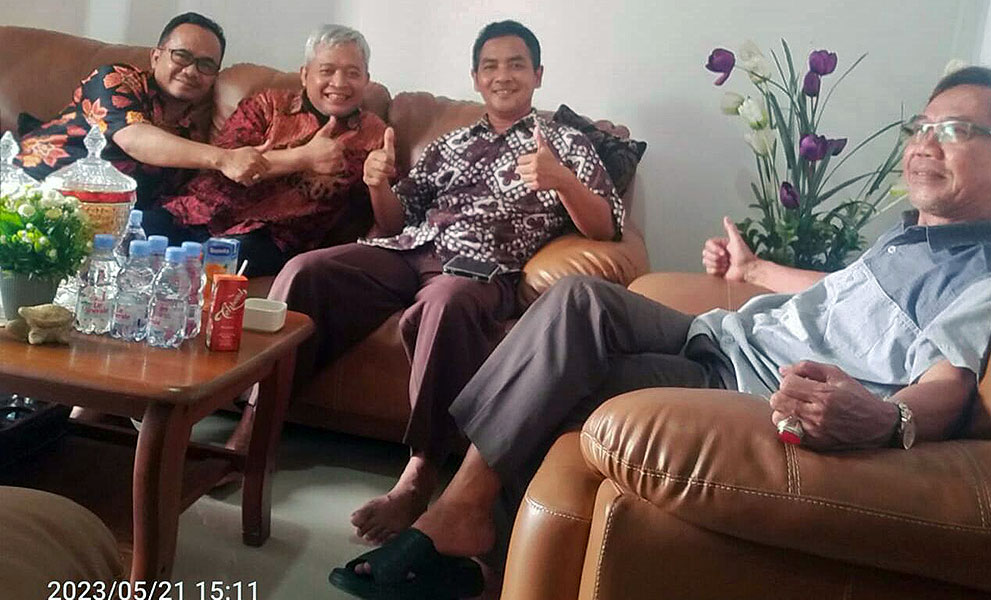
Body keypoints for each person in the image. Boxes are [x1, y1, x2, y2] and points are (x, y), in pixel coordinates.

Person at [329, 67, 991, 598]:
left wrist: (886, 419)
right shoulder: (908, 236)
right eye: (920, 126)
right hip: (727, 336)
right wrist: (753, 269)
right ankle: (463, 520)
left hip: (749, 387)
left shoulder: (979, 275)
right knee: (578, 299)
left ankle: (463, 530)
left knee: (565, 385)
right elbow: (832, 294)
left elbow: (950, 383)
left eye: (955, 130)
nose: (922, 144)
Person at [269, 19, 624, 546]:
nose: (502, 75)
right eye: (490, 66)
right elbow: (396, 221)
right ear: (476, 79)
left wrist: (561, 181)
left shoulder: (566, 142)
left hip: (479, 269)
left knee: (443, 304)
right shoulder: (450, 142)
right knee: (306, 272)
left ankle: (421, 470)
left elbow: (607, 228)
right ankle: (257, 424)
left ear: (538, 74)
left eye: (516, 64)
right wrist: (379, 185)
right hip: (409, 250)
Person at [147, 25, 385, 276]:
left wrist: (378, 183)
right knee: (135, 236)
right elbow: (226, 163)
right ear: (305, 75)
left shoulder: (374, 136)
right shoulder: (268, 105)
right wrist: (303, 158)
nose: (339, 83)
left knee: (196, 269)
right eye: (327, 71)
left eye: (352, 73)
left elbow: (387, 221)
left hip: (267, 238)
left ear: (366, 80)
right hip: (194, 213)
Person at [14, 12, 268, 209]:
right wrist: (223, 158)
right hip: (27, 191)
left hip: (95, 225)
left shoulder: (189, 138)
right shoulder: (115, 79)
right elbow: (135, 139)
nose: (191, 71)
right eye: (181, 56)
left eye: (206, 65)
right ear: (156, 57)